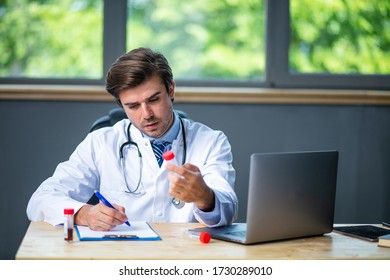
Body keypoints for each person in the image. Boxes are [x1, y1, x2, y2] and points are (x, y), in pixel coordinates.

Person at [27, 47, 238, 231]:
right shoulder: (100, 143)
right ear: (121, 104)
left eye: (153, 100)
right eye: (133, 106)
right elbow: (40, 201)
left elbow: (228, 210)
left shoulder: (211, 142)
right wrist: (84, 214)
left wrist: (205, 197)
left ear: (171, 89)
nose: (146, 114)